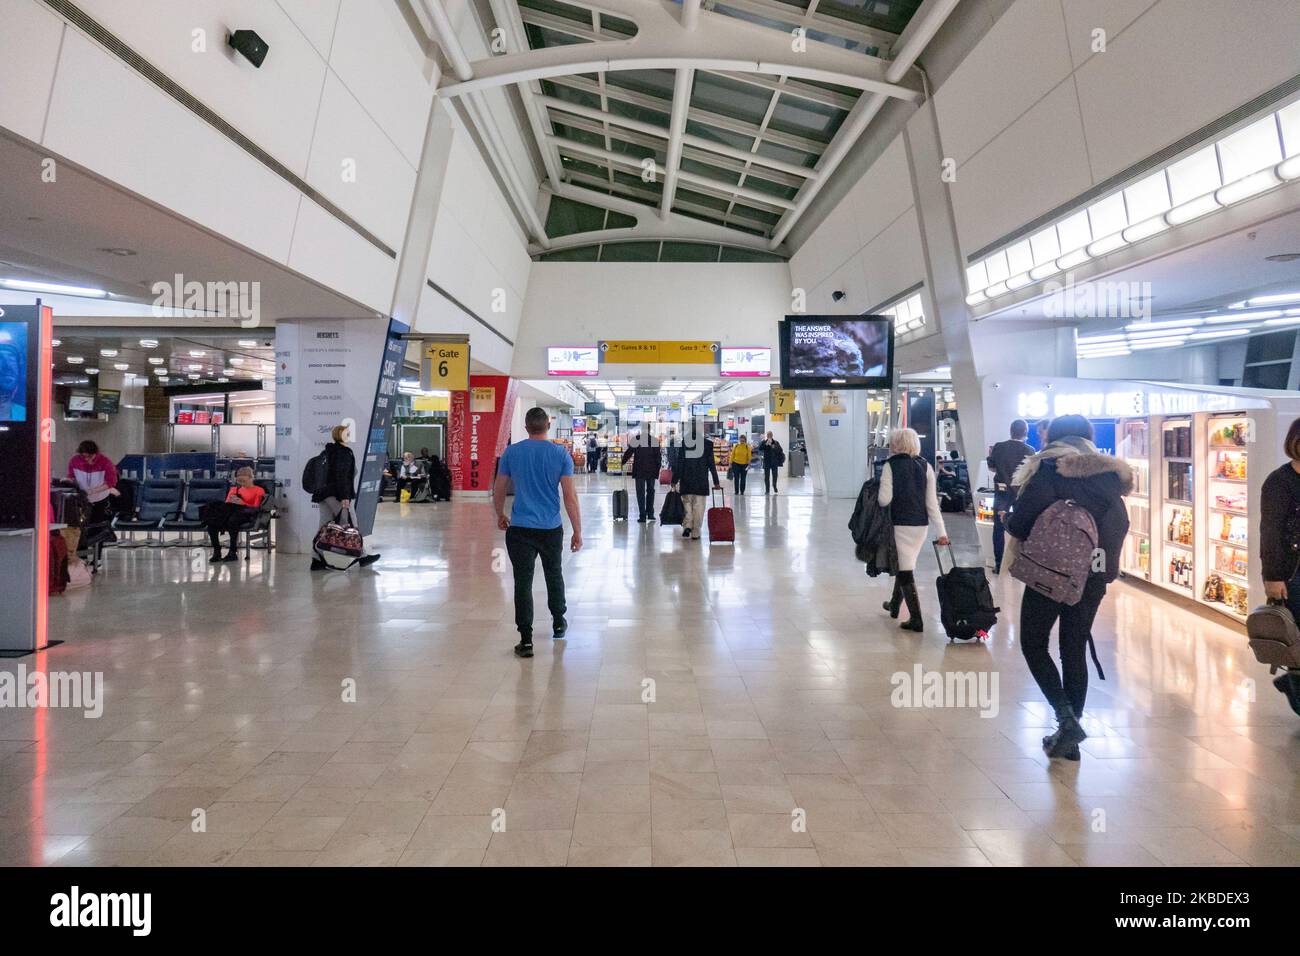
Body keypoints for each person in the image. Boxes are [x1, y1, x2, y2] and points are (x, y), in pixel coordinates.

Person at [1006, 414, 1130, 762]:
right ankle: (1069, 741)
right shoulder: (1111, 477)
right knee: (1073, 649)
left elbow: (1021, 520)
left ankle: (1065, 717)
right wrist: (1101, 572)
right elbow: (1118, 526)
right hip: (1090, 575)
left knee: (1033, 643)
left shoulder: (1048, 469)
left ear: (1053, 436)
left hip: (1049, 573)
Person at [494, 406, 583, 658]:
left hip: (520, 528)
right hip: (550, 528)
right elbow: (570, 497)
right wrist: (577, 531)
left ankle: (526, 639)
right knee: (554, 574)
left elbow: (499, 488)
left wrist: (499, 514)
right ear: (548, 425)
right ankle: (558, 622)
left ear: (526, 426)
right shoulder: (560, 454)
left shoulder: (512, 452)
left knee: (523, 581)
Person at [878, 427, 949, 632]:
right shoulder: (926, 466)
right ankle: (893, 605)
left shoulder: (890, 466)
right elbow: (932, 504)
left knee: (905, 571)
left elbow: (884, 500)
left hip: (900, 524)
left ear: (896, 444)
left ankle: (916, 619)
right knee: (904, 565)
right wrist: (942, 532)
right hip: (920, 526)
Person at [311, 424, 379, 570]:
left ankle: (316, 559)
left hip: (322, 493)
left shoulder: (328, 451)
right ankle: (362, 557)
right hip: (336, 494)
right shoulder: (344, 452)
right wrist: (345, 497)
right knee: (351, 523)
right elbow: (342, 476)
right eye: (347, 433)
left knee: (323, 525)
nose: (349, 435)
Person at [987, 419, 1033, 573]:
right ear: (1025, 433)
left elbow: (991, 467)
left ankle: (999, 564)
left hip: (1002, 492)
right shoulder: (1030, 450)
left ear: (1011, 431)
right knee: (1022, 527)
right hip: (1021, 493)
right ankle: (1020, 564)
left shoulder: (999, 447)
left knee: (998, 529)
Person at [202, 466, 265, 562]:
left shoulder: (258, 490)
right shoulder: (234, 489)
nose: (242, 484)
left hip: (246, 513)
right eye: (240, 481)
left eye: (244, 481)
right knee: (212, 523)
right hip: (232, 511)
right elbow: (226, 504)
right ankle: (217, 550)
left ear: (251, 478)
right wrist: (233, 501)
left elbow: (256, 508)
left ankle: (232, 551)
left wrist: (243, 503)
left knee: (232, 521)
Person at [670, 423, 720, 541]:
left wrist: (674, 480)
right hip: (701, 482)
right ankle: (696, 532)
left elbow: (680, 463)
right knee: (699, 507)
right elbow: (711, 465)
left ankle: (687, 525)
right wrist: (716, 482)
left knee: (686, 504)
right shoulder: (708, 444)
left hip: (686, 481)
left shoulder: (685, 444)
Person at [68, 440, 120, 526]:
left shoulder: (105, 462)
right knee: (82, 524)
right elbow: (71, 476)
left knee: (97, 524)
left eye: (89, 456)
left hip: (100, 498)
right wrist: (68, 480)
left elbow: (111, 482)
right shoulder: (74, 461)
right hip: (83, 498)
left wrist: (94, 491)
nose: (87, 459)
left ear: (95, 453)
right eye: (83, 456)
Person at [621, 425, 662, 523]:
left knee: (640, 493)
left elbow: (629, 452)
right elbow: (658, 458)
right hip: (651, 471)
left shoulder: (637, 439)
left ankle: (642, 515)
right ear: (649, 430)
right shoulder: (655, 441)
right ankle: (650, 514)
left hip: (639, 470)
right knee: (651, 491)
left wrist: (622, 462)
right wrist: (657, 470)